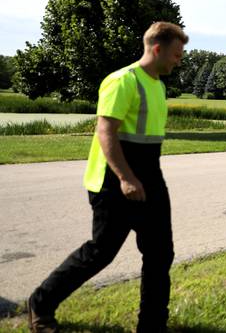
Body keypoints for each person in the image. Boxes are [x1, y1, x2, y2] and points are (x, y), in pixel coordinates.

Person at [27, 22, 188, 333]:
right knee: (101, 253)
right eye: (176, 54)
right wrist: (127, 179)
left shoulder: (158, 85)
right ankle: (41, 303)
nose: (178, 60)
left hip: (150, 177)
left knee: (160, 253)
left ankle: (152, 325)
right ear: (157, 49)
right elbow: (106, 133)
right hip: (114, 180)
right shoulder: (122, 81)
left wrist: (145, 179)